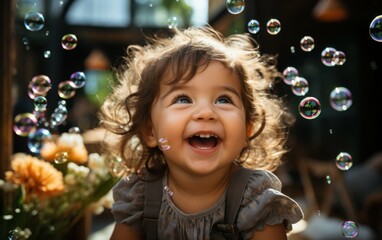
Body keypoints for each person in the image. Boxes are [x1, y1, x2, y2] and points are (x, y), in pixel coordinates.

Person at [99, 26, 304, 240]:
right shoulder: (140, 196)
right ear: (150, 130)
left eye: (224, 99)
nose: (206, 113)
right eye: (183, 99)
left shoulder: (255, 200)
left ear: (247, 129)